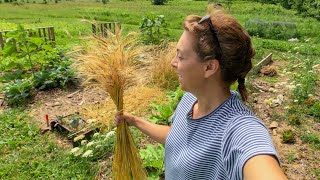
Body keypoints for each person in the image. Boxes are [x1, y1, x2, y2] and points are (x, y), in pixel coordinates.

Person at [115, 9, 287, 180]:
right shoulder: (191, 99)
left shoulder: (236, 129)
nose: (172, 63)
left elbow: (257, 160)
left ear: (209, 67)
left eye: (181, 57)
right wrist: (135, 121)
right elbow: (178, 139)